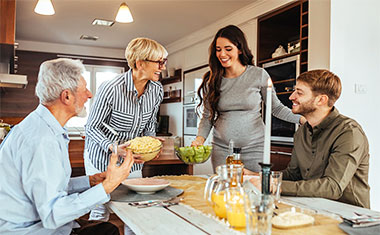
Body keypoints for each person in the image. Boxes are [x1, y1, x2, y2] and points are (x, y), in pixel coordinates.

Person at [0, 58, 134, 234]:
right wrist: (108, 185)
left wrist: (90, 181)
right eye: (84, 89)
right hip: (32, 230)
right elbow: (53, 214)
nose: (89, 94)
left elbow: (47, 188)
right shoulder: (41, 140)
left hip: (39, 224)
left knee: (107, 229)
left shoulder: (43, 127)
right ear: (67, 96)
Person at [247, 69, 370, 208]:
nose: (291, 97)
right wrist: (256, 176)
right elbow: (292, 174)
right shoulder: (302, 132)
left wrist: (276, 185)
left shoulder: (348, 133)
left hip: (350, 217)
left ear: (321, 100)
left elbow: (332, 187)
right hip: (312, 207)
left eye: (299, 93)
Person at [191, 25, 304, 172]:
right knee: (225, 190)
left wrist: (302, 119)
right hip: (222, 148)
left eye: (228, 49)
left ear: (239, 49)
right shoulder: (211, 80)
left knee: (253, 189)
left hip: (255, 147)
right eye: (218, 50)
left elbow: (275, 108)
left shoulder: (258, 75)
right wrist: (200, 139)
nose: (222, 54)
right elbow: (207, 117)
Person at [84, 37, 167, 220]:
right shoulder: (111, 88)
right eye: (159, 62)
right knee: (101, 208)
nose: (163, 67)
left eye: (164, 62)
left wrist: (152, 145)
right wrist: (115, 148)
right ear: (140, 63)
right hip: (101, 158)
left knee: (135, 209)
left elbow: (150, 123)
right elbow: (91, 127)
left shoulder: (157, 90)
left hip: (133, 160)